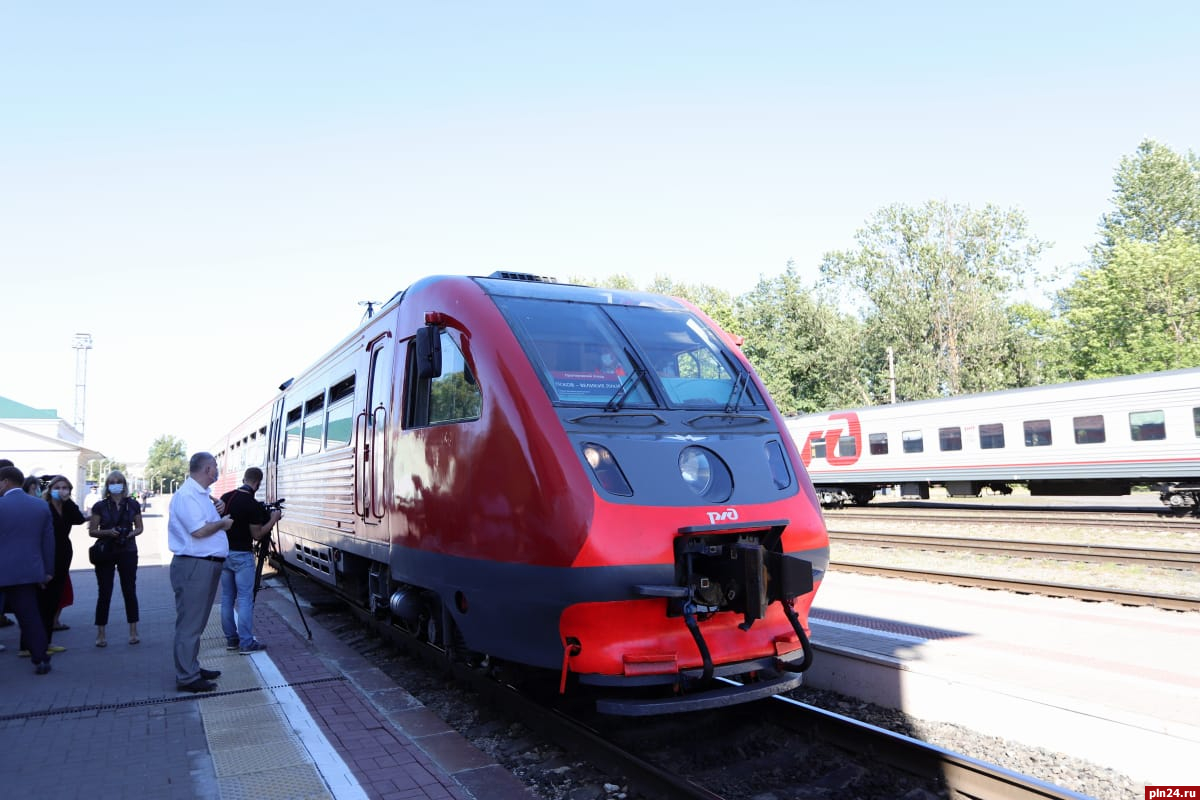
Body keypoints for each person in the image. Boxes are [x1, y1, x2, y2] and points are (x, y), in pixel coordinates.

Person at [168, 452, 233, 693]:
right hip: (194, 565)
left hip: (204, 565)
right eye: (215, 467)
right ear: (207, 469)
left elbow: (205, 522)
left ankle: (191, 667)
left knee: (197, 622)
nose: (217, 471)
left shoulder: (201, 495)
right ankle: (187, 677)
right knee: (190, 623)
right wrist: (223, 523)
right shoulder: (187, 496)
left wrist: (219, 509)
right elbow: (198, 531)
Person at [219, 467, 280, 654]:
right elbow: (258, 535)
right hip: (242, 556)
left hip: (224, 554)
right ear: (257, 483)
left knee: (227, 598)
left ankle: (231, 640)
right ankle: (246, 642)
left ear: (244, 479)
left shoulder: (226, 497)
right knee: (245, 599)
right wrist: (273, 520)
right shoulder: (251, 504)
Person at [0, 465, 55, 674]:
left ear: (5, 482)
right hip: (27, 572)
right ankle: (41, 659)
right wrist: (47, 570)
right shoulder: (40, 506)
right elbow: (48, 543)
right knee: (30, 617)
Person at [89, 470, 143, 647]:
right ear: (107, 485)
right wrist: (108, 532)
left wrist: (128, 534)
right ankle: (101, 633)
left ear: (124, 484)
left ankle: (133, 632)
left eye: (119, 481)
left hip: (127, 550)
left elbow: (140, 528)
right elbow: (92, 530)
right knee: (104, 591)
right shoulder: (100, 506)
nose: (115, 484)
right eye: (112, 482)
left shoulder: (133, 504)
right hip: (106, 551)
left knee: (129, 590)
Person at [39, 476, 86, 643]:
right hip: (47, 553)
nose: (61, 490)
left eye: (65, 487)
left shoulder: (66, 508)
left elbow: (80, 520)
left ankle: (49, 633)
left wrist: (68, 501)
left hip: (64, 553)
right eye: (57, 487)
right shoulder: (44, 506)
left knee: (57, 593)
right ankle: (40, 638)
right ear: (50, 489)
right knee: (45, 595)